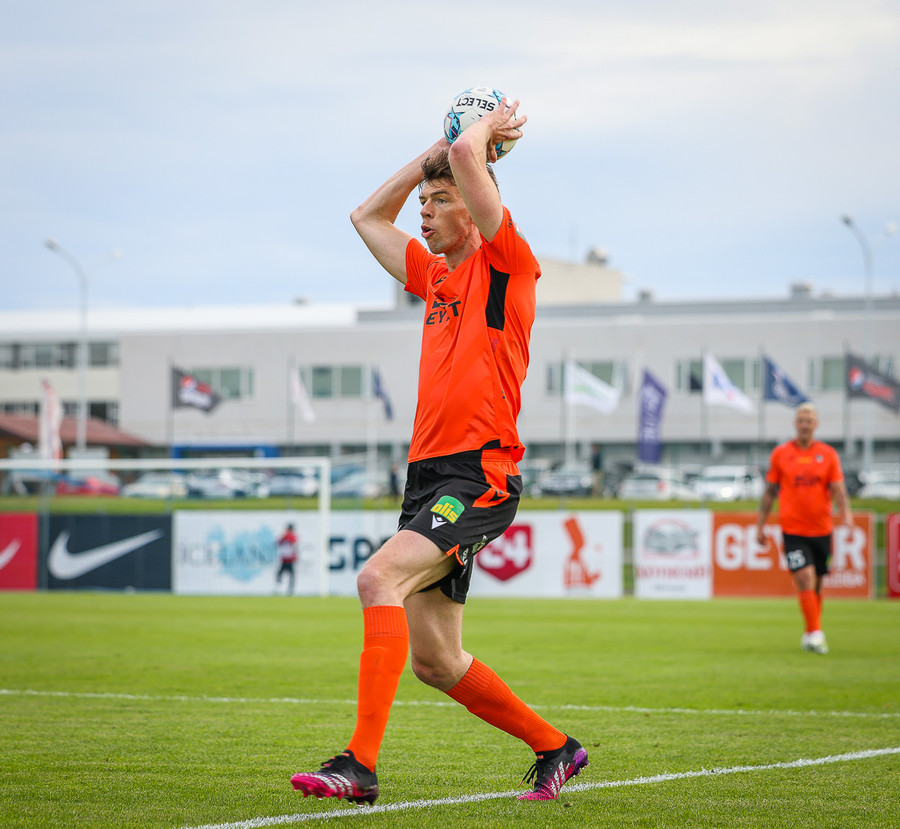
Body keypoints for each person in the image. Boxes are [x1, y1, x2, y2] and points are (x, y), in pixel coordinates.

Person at [290, 98, 588, 805]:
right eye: (423, 202)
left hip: (479, 472)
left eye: (441, 201)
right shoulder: (435, 279)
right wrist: (432, 156)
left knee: (376, 579)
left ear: (478, 209)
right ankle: (557, 747)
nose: (423, 212)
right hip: (427, 477)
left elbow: (463, 158)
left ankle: (358, 765)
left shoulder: (508, 263)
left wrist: (476, 137)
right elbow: (366, 216)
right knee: (437, 660)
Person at [755, 402, 853, 654]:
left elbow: (838, 488)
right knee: (804, 577)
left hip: (821, 530)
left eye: (809, 421)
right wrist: (760, 525)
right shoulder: (781, 454)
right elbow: (770, 491)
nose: (804, 425)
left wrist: (847, 514)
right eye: (801, 421)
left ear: (815, 424)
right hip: (792, 530)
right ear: (795, 424)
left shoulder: (828, 454)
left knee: (817, 583)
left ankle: (810, 632)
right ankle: (816, 633)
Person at [275, 523, 299, 595]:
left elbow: (293, 543)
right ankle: (279, 588)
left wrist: (287, 536)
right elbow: (279, 543)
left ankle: (290, 589)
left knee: (291, 575)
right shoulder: (284, 536)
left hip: (290, 559)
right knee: (280, 574)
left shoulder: (292, 536)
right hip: (284, 559)